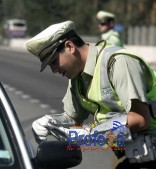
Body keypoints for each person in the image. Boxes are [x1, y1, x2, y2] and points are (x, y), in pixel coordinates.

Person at [25, 20, 156, 168]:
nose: (54, 70)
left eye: (54, 62)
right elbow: (73, 119)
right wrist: (51, 122)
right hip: (139, 156)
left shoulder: (118, 63)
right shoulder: (76, 76)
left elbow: (139, 119)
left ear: (70, 47)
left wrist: (91, 133)